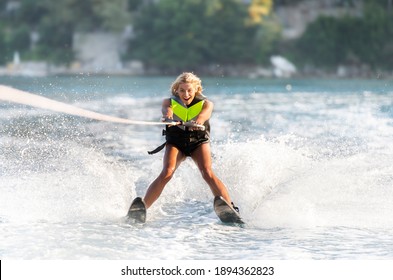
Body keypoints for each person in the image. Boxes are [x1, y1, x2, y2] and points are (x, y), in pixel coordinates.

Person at [141, 72, 238, 213]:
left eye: (189, 90)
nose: (186, 94)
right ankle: (142, 208)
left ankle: (230, 207)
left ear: (196, 89)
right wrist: (168, 117)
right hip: (176, 142)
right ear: (177, 90)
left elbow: (205, 114)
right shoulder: (168, 102)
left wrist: (197, 122)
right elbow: (166, 110)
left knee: (207, 173)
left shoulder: (207, 104)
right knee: (167, 172)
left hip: (198, 142)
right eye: (182, 90)